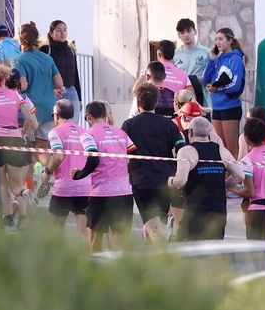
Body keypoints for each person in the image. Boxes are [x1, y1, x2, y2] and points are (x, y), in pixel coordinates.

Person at [123, 82, 184, 240]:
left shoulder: (129, 125)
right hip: (165, 180)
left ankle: (162, 260)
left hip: (141, 181)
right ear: (156, 102)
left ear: (137, 103)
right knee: (153, 227)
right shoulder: (169, 124)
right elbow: (181, 148)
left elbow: (123, 154)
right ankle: (152, 259)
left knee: (153, 228)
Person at [170, 116, 240, 241]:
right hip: (218, 210)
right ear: (209, 133)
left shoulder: (186, 151)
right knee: (214, 253)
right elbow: (240, 175)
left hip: (196, 211)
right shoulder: (222, 151)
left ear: (190, 132)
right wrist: (224, 184)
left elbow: (181, 181)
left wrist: (171, 181)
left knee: (192, 250)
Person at [78, 100, 134, 251]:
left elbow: (93, 159)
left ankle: (96, 272)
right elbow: (134, 156)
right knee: (120, 244)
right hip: (124, 192)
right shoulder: (121, 133)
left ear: (89, 117)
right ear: (105, 114)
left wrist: (79, 174)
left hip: (101, 193)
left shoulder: (88, 135)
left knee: (95, 241)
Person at [0, 62, 38, 227]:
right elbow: (31, 119)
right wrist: (23, 132)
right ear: (6, 78)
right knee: (17, 185)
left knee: (2, 183)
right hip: (15, 140)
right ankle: (24, 211)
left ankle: (8, 217)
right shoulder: (15, 96)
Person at [44, 99, 96, 237]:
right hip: (85, 187)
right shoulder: (85, 132)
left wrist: (48, 171)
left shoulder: (55, 132)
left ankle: (58, 258)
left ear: (56, 115)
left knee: (54, 231)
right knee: (84, 233)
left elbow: (58, 156)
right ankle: (87, 258)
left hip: (64, 188)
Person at [203, 28, 247, 157]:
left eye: (221, 39)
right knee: (220, 147)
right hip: (217, 107)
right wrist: (211, 60)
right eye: (216, 39)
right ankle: (225, 175)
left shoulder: (236, 59)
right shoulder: (219, 59)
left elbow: (235, 85)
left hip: (230, 107)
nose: (217, 42)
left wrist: (217, 89)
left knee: (231, 148)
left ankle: (237, 175)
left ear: (230, 40)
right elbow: (207, 79)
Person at [15, 22, 63, 135]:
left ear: (21, 39)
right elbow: (59, 83)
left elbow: (23, 86)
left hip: (31, 109)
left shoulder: (18, 60)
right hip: (49, 108)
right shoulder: (48, 58)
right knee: (43, 149)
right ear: (37, 38)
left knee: (30, 149)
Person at [41, 20, 83, 109]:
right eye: (59, 30)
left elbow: (75, 75)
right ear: (51, 33)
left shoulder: (71, 50)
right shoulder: (46, 50)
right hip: (55, 92)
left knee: (73, 122)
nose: (62, 33)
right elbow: (42, 74)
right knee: (57, 121)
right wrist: (51, 90)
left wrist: (79, 98)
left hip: (71, 91)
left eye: (64, 30)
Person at [172, 19, 208, 107]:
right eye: (182, 32)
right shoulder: (174, 54)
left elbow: (212, 77)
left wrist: (194, 80)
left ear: (195, 32)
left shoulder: (207, 53)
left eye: (188, 31)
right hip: (181, 101)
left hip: (202, 101)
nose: (186, 35)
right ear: (179, 35)